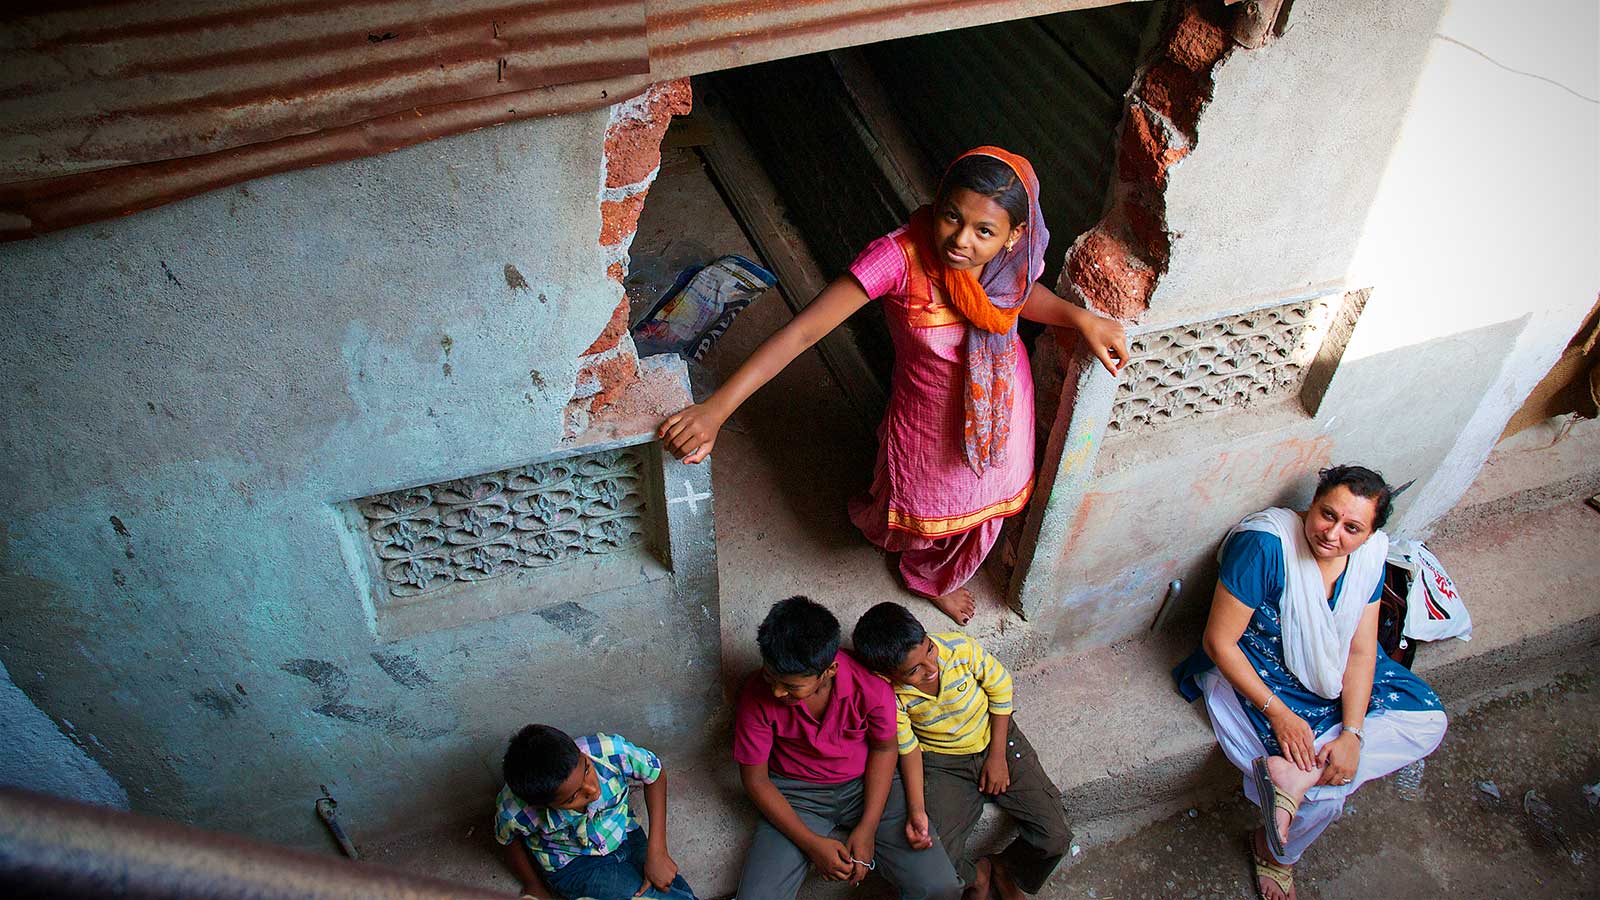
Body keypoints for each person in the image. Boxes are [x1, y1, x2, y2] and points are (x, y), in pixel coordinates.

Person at [659, 148, 1128, 626]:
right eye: (951, 217)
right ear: (939, 201)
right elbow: (801, 333)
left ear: (1015, 237)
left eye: (984, 231)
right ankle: (923, 570)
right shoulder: (899, 257)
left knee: (989, 502)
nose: (960, 241)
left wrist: (1080, 318)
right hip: (928, 420)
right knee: (925, 505)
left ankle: (942, 573)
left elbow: (1021, 299)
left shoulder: (1010, 263)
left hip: (1002, 404)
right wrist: (715, 409)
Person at [1172, 466, 1448, 900]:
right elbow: (1219, 642)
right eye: (1327, 514)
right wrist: (1279, 714)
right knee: (1329, 797)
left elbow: (1360, 651)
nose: (1333, 534)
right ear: (1312, 503)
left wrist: (1354, 733)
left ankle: (1297, 778)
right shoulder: (1265, 545)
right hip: (1261, 670)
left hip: (1336, 671)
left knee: (1428, 720)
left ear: (1371, 533)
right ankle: (1274, 853)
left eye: (1352, 527)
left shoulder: (1369, 558)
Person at [733, 595, 962, 900]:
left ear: (829, 670)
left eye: (791, 686)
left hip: (867, 784)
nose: (776, 691)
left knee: (940, 888)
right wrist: (812, 844)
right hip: (797, 795)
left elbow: (884, 750)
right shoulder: (756, 695)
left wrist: (867, 828)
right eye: (770, 676)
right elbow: (756, 779)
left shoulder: (870, 687)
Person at [853, 601, 1071, 900]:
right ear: (887, 675)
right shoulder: (891, 697)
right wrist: (916, 811)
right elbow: (910, 750)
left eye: (929, 649)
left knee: (1056, 835)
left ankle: (1008, 869)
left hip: (996, 738)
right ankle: (979, 875)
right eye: (915, 670)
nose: (932, 668)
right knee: (936, 853)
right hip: (943, 764)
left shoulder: (959, 649)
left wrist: (996, 757)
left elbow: (1001, 689)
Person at [493, 724, 696, 900]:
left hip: (624, 833)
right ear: (542, 805)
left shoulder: (607, 751)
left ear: (581, 754)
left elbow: (655, 773)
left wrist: (657, 850)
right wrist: (533, 885)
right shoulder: (516, 810)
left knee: (665, 881)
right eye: (573, 797)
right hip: (576, 864)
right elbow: (507, 839)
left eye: (587, 770)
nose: (593, 790)